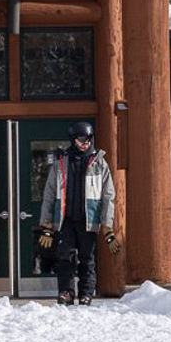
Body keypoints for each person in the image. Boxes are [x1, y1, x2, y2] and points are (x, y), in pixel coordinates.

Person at [38, 121, 121, 305]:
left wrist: (107, 227)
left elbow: (108, 196)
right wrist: (46, 225)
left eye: (89, 139)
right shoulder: (61, 162)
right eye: (82, 139)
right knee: (64, 257)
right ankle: (66, 292)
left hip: (88, 220)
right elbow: (50, 194)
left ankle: (86, 293)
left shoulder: (99, 163)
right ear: (73, 139)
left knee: (87, 258)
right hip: (65, 220)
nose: (86, 143)